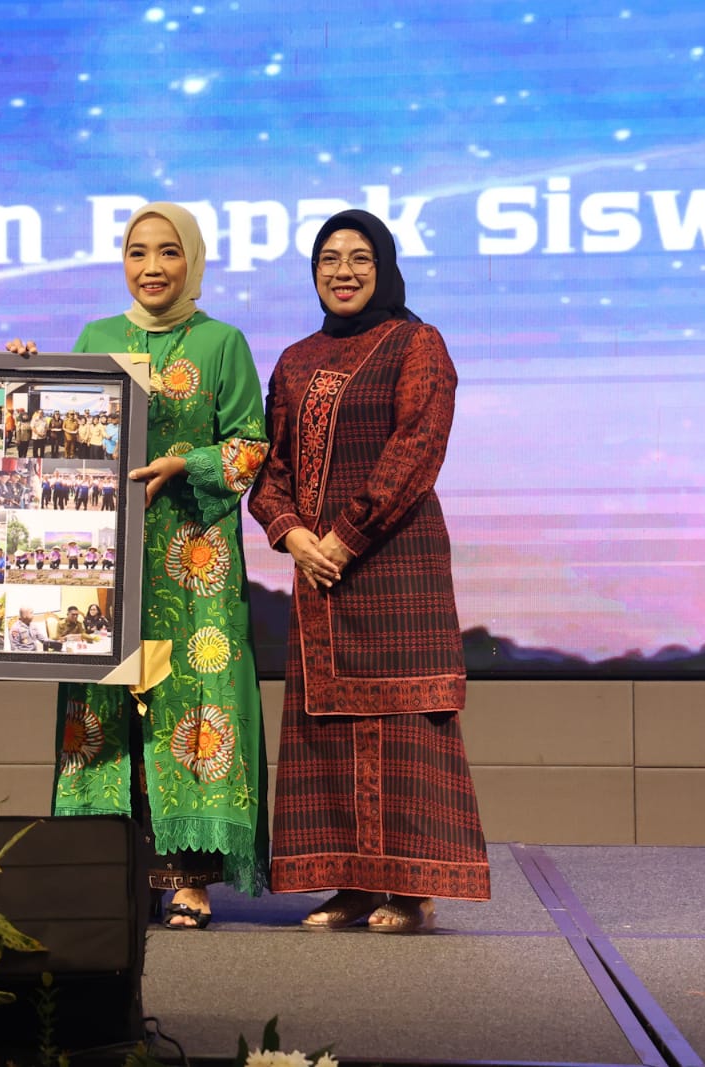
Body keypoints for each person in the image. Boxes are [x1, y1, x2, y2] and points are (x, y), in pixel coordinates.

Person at [7, 202, 269, 927]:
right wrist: (25, 374)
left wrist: (186, 464)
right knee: (104, 707)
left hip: (193, 561)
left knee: (194, 705)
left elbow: (251, 446)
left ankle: (188, 878)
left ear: (193, 259)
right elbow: (61, 427)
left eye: (168, 252)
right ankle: (105, 870)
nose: (152, 267)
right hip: (107, 558)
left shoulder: (221, 342)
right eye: (137, 252)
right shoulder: (96, 337)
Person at [248, 209, 490, 932]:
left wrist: (343, 537)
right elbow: (270, 469)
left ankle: (410, 890)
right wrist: (293, 534)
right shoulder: (296, 359)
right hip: (319, 574)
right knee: (329, 726)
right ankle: (353, 883)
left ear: (383, 267)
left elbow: (416, 448)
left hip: (394, 565)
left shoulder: (417, 343)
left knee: (405, 724)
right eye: (328, 258)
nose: (343, 271)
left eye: (359, 257)